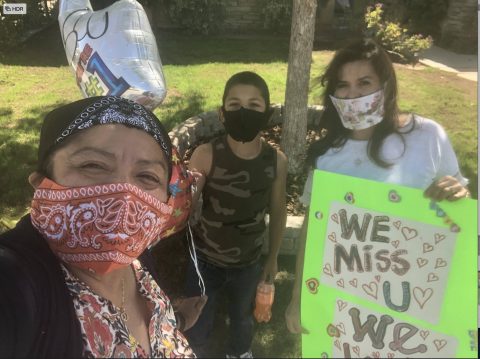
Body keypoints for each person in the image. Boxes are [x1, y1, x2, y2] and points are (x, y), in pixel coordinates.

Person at [284, 38, 470, 334]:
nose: (352, 94)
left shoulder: (427, 136)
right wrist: (297, 297)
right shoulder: (328, 155)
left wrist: (458, 193)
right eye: (342, 85)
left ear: (386, 84)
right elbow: (313, 231)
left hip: (414, 298)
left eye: (364, 82)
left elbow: (457, 211)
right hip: (346, 302)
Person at [0, 96, 205, 357]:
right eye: (93, 165)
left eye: (146, 176)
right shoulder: (16, 284)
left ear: (166, 199)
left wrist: (177, 319)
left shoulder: (134, 255)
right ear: (41, 182)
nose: (124, 193)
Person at [184, 71, 288, 357]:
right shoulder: (206, 155)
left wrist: (273, 256)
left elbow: (278, 212)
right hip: (205, 261)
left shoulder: (276, 161)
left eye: (254, 105)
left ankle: (240, 352)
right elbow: (185, 204)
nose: (244, 112)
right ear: (222, 113)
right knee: (199, 318)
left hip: (249, 263)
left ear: (266, 113)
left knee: (242, 317)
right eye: (234, 105)